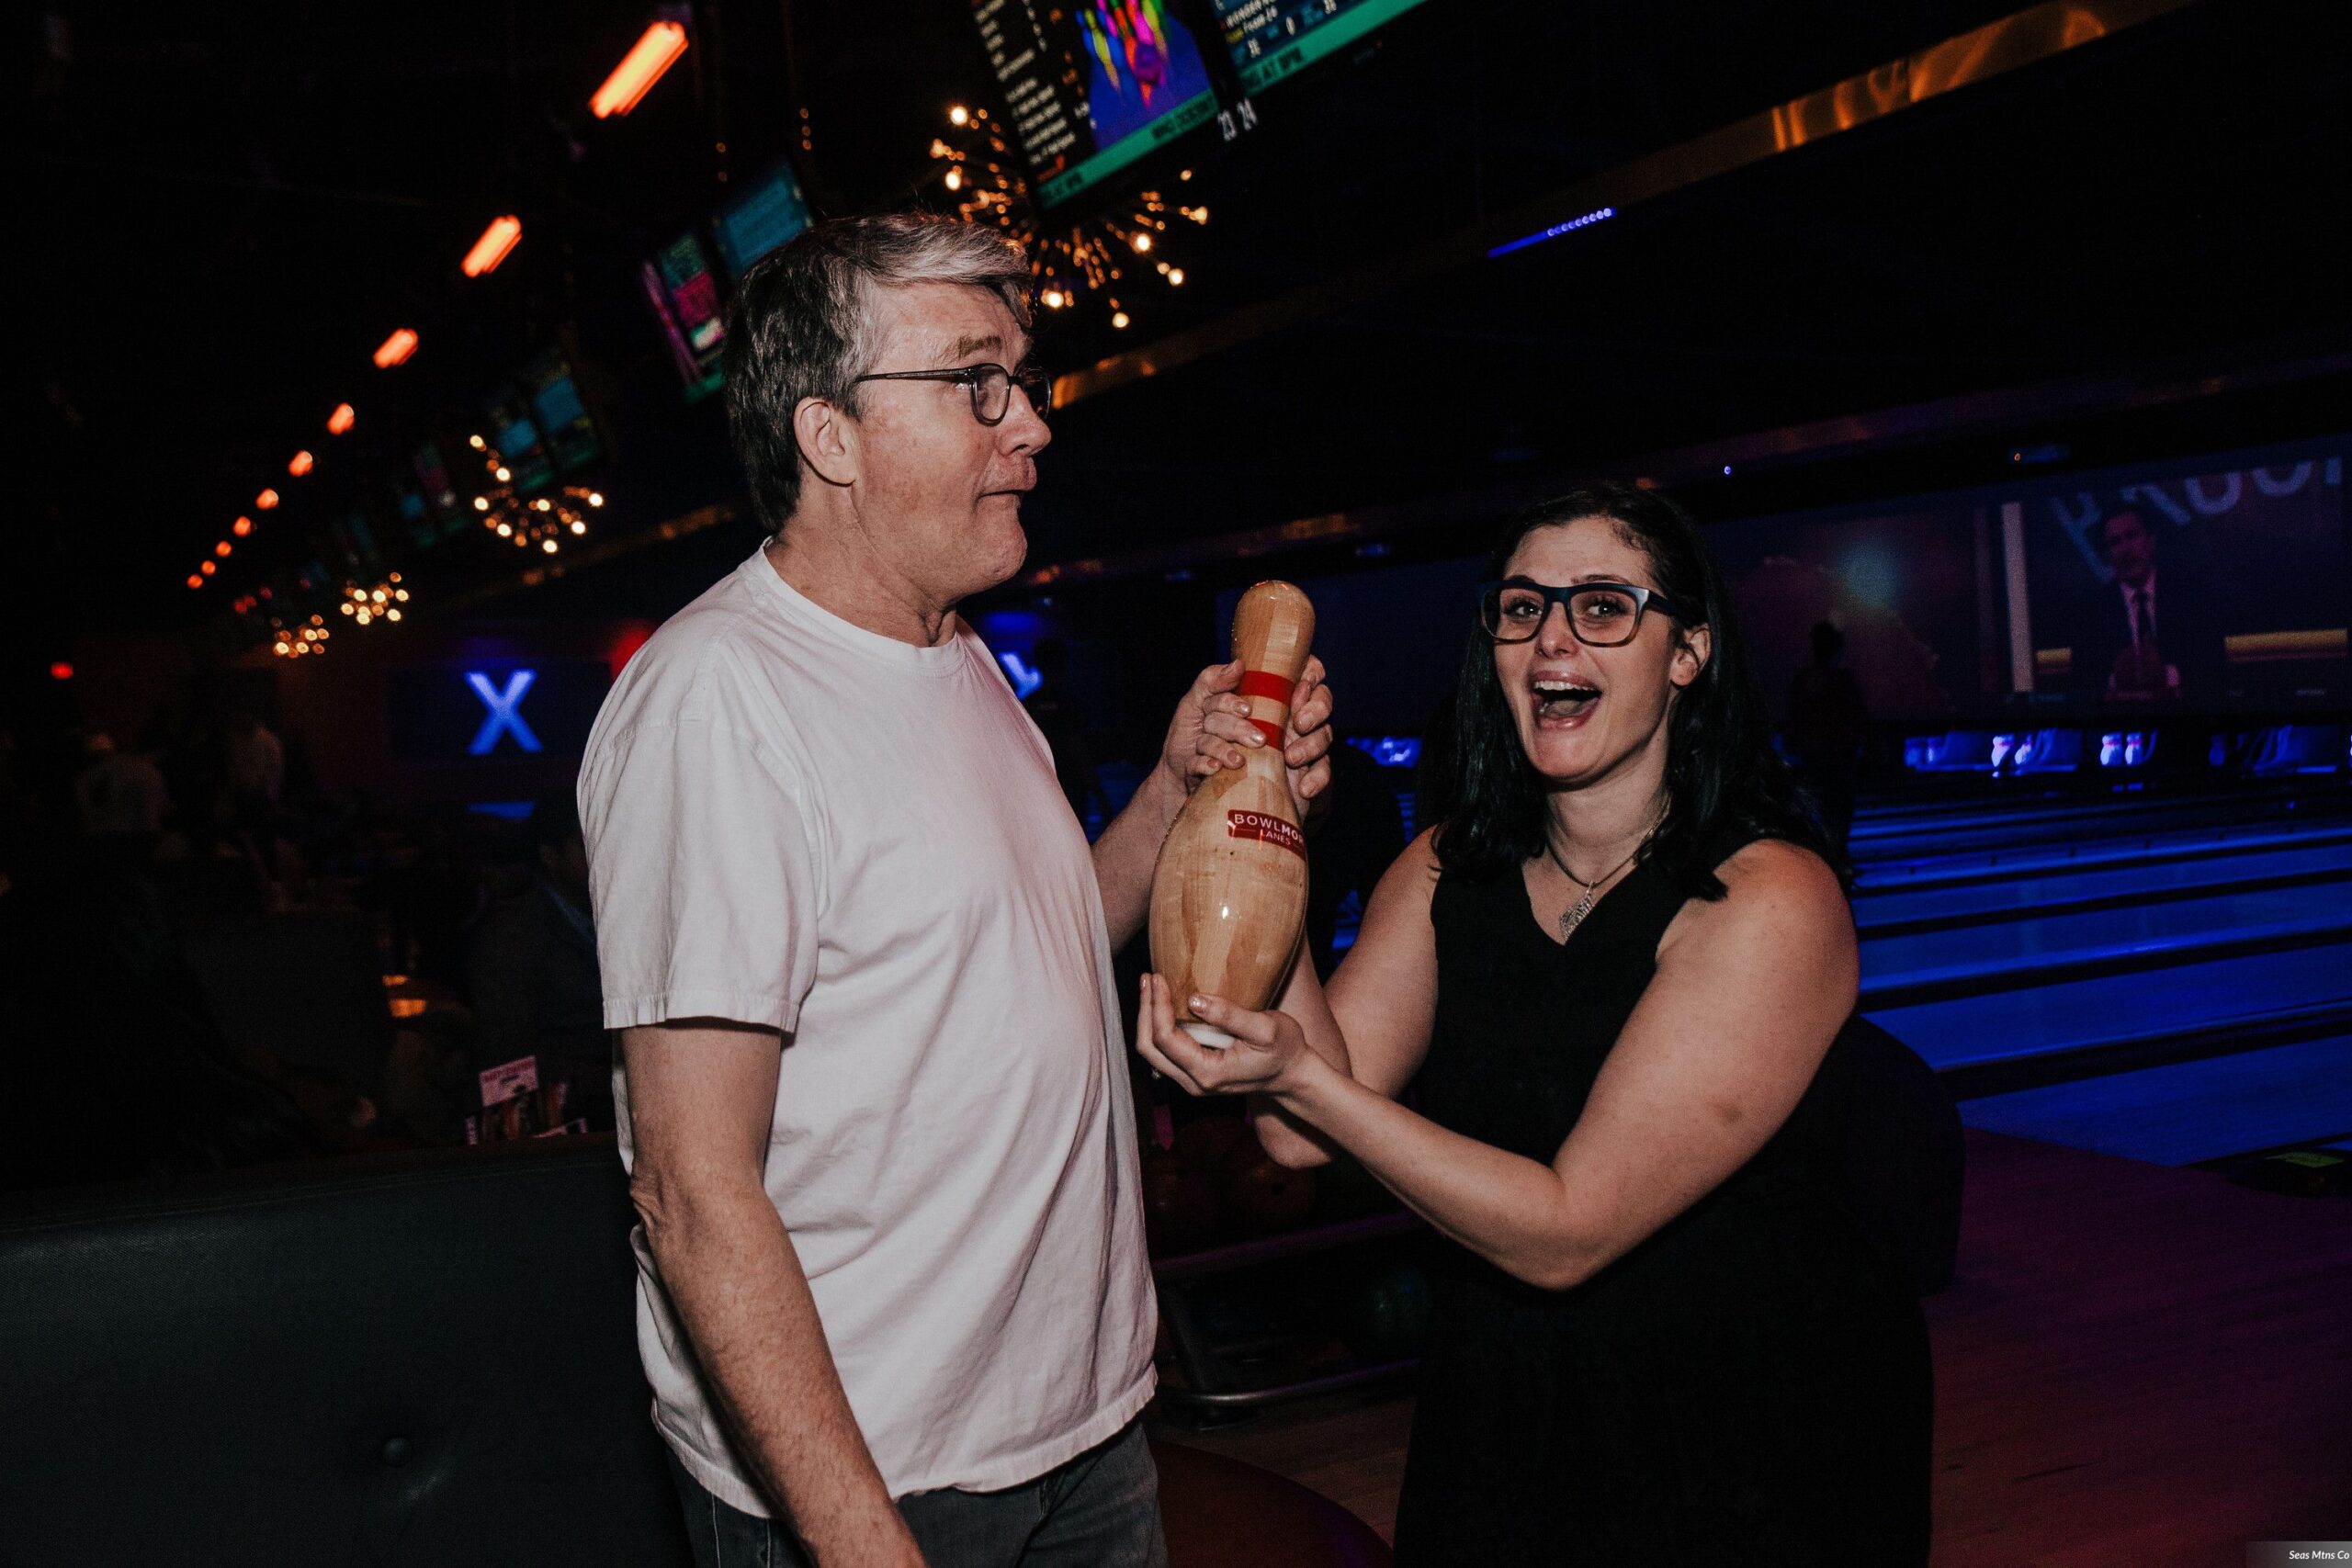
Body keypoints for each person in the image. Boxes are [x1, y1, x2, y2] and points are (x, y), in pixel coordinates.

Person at [577, 214, 1334, 1568]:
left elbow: (1037, 939)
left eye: (1024, 380)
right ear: (832, 435)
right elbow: (692, 1188)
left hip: (1081, 1430)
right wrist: (862, 1540)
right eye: (977, 381)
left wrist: (1171, 791)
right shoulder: (718, 701)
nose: (1031, 424)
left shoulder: (961, 654)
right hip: (885, 1475)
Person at [1136, 483, 1931, 1563]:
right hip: (1504, 1412)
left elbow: (1568, 1231)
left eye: (1603, 606)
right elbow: (1296, 1128)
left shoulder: (1770, 900)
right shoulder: (1444, 867)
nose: (1552, 636)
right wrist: (1274, 822)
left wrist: (1307, 1084)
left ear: (1687, 650)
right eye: (1522, 608)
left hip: (1743, 1442)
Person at [469, 794, 612, 1130]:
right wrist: (618, 1076)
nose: (604, 851)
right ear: (551, 857)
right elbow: (507, 1058)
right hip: (563, 1124)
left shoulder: (632, 918)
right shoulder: (513, 939)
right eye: (586, 842)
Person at [2070, 502, 2222, 700]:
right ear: (2107, 555)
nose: (2125, 549)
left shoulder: (2192, 597)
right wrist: (2115, 680)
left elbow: (2217, 671)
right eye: (2115, 542)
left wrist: (2167, 675)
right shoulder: (2089, 613)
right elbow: (2078, 688)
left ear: (2151, 542)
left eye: (2131, 536)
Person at [1784, 619, 1867, 852]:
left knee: (1821, 811)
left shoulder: (1803, 680)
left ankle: (1826, 858)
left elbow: (1794, 719)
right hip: (1840, 759)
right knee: (1837, 812)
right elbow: (1857, 720)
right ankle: (1836, 856)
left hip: (1814, 758)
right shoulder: (1844, 681)